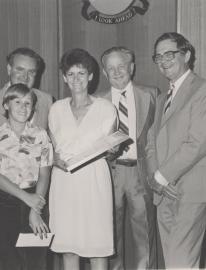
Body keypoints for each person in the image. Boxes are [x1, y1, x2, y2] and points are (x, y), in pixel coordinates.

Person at [0, 47, 53, 270]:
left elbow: (45, 166)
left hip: (36, 196)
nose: (26, 76)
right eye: (20, 70)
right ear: (9, 69)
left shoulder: (46, 101)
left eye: (32, 72)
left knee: (34, 257)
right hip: (3, 196)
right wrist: (22, 197)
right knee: (7, 256)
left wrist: (35, 204)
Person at [48, 48, 117, 270]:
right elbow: (51, 147)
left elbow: (111, 147)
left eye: (81, 73)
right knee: (69, 248)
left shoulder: (106, 108)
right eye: (71, 74)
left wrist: (113, 150)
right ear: (64, 78)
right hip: (64, 182)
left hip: (94, 181)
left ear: (91, 76)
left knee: (97, 248)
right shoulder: (56, 109)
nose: (76, 79)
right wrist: (54, 158)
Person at [149, 32, 206, 269]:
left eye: (170, 54)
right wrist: (155, 179)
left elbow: (198, 142)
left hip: (190, 192)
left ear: (187, 55)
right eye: (158, 56)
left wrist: (162, 176)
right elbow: (150, 143)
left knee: (182, 261)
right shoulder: (162, 98)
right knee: (173, 261)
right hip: (163, 194)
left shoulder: (201, 90)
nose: (163, 60)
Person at [98, 46, 158, 270]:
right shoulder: (97, 101)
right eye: (110, 68)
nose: (116, 72)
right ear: (104, 72)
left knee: (144, 233)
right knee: (111, 234)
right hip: (108, 173)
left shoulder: (151, 94)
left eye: (121, 66)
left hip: (139, 173)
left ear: (131, 67)